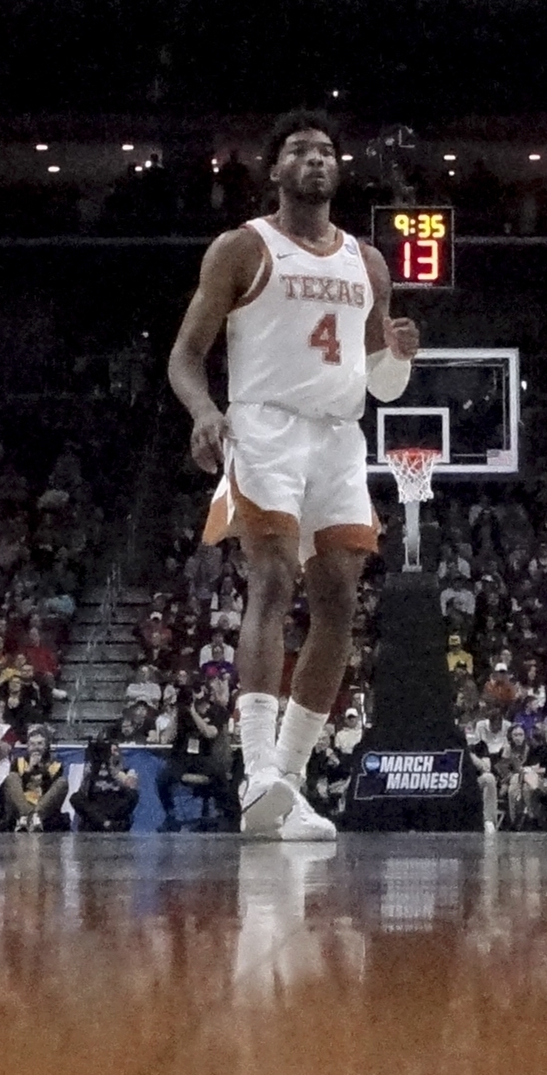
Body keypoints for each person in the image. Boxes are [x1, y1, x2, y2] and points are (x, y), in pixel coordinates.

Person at [164, 111, 418, 847]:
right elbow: (185, 355)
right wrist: (204, 411)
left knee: (340, 600)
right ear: (273, 170)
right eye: (299, 152)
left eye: (326, 152)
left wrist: (399, 354)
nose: (316, 160)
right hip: (266, 425)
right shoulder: (243, 247)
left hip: (339, 437)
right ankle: (255, 772)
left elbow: (383, 383)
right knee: (273, 582)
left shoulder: (368, 262)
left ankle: (290, 780)